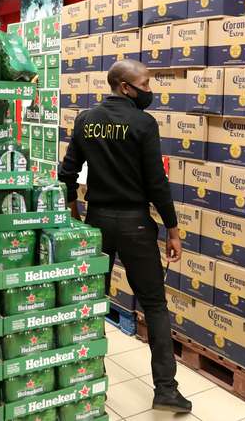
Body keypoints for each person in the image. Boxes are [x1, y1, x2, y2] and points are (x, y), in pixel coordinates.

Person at [58, 59, 191, 413]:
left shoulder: (86, 120)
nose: (150, 90)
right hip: (135, 224)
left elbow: (67, 172)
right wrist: (172, 230)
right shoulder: (144, 124)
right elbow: (156, 183)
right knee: (155, 305)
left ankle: (90, 384)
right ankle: (166, 389)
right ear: (125, 87)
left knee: (91, 304)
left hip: (96, 222)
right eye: (145, 84)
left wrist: (74, 213)